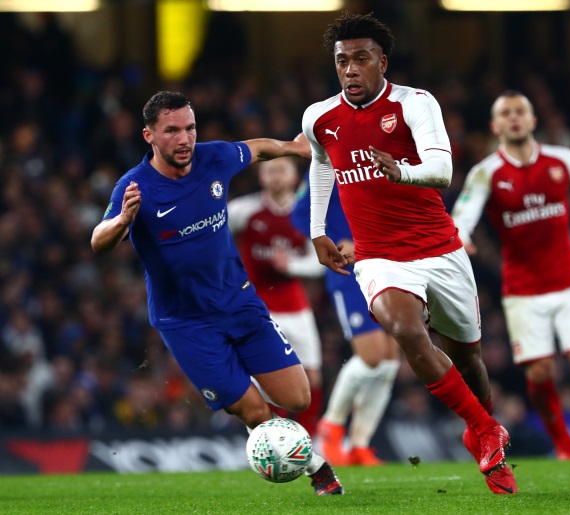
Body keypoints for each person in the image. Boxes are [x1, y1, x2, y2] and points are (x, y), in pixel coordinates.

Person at [302, 12, 517, 494]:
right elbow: (320, 165)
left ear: (382, 61)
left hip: (440, 250)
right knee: (404, 328)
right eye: (342, 62)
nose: (351, 70)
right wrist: (318, 229)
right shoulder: (319, 117)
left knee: (469, 358)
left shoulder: (415, 103)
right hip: (379, 257)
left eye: (361, 59)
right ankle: (485, 431)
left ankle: (482, 430)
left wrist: (402, 171)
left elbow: (441, 168)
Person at [91, 91, 344, 495]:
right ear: (149, 135)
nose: (185, 138)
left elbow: (257, 149)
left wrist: (294, 148)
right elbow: (98, 241)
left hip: (239, 303)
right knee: (254, 410)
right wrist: (122, 219)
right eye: (172, 130)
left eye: (189, 128)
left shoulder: (212, 157)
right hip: (186, 323)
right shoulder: (134, 186)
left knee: (297, 398)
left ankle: (293, 444)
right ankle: (314, 465)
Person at [451, 90, 570, 460]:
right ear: (495, 126)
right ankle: (562, 439)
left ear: (532, 121)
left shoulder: (564, 161)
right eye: (506, 113)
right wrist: (462, 235)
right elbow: (464, 212)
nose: (514, 118)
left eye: (520, 111)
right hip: (523, 290)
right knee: (540, 373)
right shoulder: (487, 173)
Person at [291, 175, 400, 466]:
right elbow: (299, 214)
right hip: (348, 273)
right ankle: (331, 427)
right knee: (373, 356)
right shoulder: (323, 168)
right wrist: (333, 241)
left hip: (384, 267)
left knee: (390, 359)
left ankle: (361, 444)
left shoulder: (370, 160)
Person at [227, 157, 325, 437]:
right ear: (261, 177)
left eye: (282, 169)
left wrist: (291, 265)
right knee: (268, 377)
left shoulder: (306, 213)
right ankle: (274, 437)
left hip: (295, 305)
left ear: (295, 177)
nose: (275, 175)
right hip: (259, 306)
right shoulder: (243, 211)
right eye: (269, 170)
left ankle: (309, 438)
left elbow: (319, 260)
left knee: (312, 375)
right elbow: (214, 237)